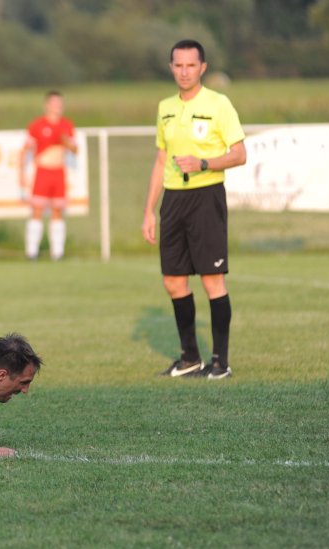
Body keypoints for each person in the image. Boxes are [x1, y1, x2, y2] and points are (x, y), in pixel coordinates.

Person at [141, 39, 247, 380]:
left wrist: (203, 162)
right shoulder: (164, 107)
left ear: (202, 67)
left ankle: (221, 362)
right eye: (178, 65)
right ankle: (189, 358)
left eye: (191, 65)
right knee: (173, 281)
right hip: (173, 200)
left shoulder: (219, 104)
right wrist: (149, 210)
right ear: (171, 67)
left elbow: (239, 153)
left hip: (206, 196)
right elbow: (160, 160)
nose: (184, 71)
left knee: (212, 280)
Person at [19, 91, 77, 261]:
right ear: (47, 105)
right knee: (37, 210)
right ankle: (32, 252)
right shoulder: (37, 125)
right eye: (54, 103)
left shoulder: (67, 125)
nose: (58, 106)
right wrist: (21, 174)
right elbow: (26, 150)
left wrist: (68, 143)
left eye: (60, 103)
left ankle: (57, 252)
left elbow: (75, 149)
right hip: (43, 172)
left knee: (58, 211)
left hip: (58, 172)